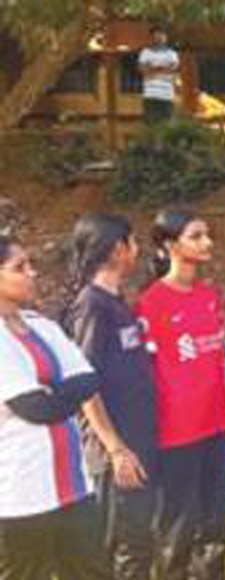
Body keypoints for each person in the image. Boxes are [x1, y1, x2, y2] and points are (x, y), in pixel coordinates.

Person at [0, 235, 110, 579]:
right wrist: (62, 393)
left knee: (92, 572)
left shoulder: (43, 326)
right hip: (19, 493)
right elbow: (35, 408)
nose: (32, 273)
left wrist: (53, 395)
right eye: (20, 267)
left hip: (73, 487)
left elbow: (90, 379)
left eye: (30, 264)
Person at [136, 209, 225, 580]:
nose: (207, 242)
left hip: (216, 425)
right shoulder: (152, 301)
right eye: (196, 236)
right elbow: (147, 372)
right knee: (178, 526)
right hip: (176, 432)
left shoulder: (209, 296)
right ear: (170, 245)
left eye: (207, 234)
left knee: (216, 524)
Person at [65, 214, 157, 580]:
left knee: (139, 542)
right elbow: (85, 383)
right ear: (119, 249)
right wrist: (116, 449)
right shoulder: (92, 305)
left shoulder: (118, 303)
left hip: (138, 442)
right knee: (122, 547)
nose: (137, 250)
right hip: (114, 453)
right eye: (133, 242)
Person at [138, 24, 180, 124]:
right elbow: (142, 69)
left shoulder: (172, 54)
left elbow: (173, 69)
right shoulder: (145, 52)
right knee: (150, 125)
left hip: (167, 94)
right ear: (151, 38)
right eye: (156, 37)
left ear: (166, 37)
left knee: (167, 125)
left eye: (161, 36)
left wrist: (152, 68)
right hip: (150, 94)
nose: (159, 39)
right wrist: (163, 68)